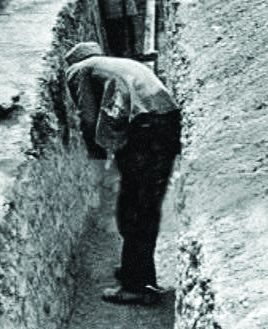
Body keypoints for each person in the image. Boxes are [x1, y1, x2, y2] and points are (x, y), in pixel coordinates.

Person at [65, 42, 181, 305]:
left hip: (144, 128)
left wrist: (97, 161)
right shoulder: (117, 65)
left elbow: (88, 116)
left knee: (132, 209)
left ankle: (137, 286)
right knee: (146, 206)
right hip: (167, 124)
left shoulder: (80, 70)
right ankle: (137, 271)